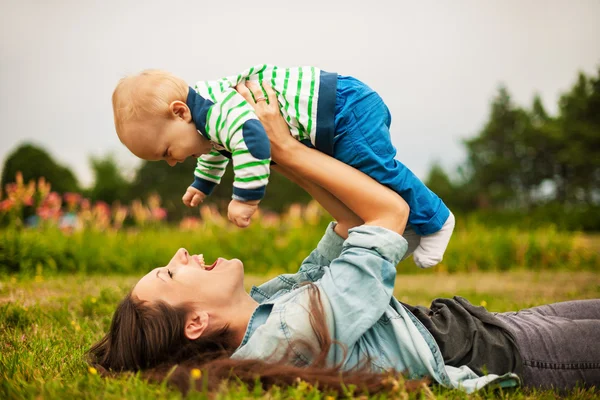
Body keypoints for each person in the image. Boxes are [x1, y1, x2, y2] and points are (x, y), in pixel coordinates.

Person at [91, 83, 600, 395]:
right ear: (197, 322)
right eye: (168, 272)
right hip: (500, 351)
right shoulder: (291, 335)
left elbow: (351, 228)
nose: (179, 253)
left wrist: (280, 149)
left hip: (477, 327)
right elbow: (388, 213)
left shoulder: (268, 310)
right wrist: (286, 153)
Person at [111, 65, 454, 268]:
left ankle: (437, 219)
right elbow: (217, 152)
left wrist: (244, 198)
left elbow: (251, 140)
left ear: (180, 112)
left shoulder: (217, 112)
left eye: (167, 150)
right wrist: (203, 185)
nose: (172, 161)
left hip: (344, 107)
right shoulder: (205, 123)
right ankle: (410, 223)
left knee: (376, 170)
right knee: (363, 181)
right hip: (331, 119)